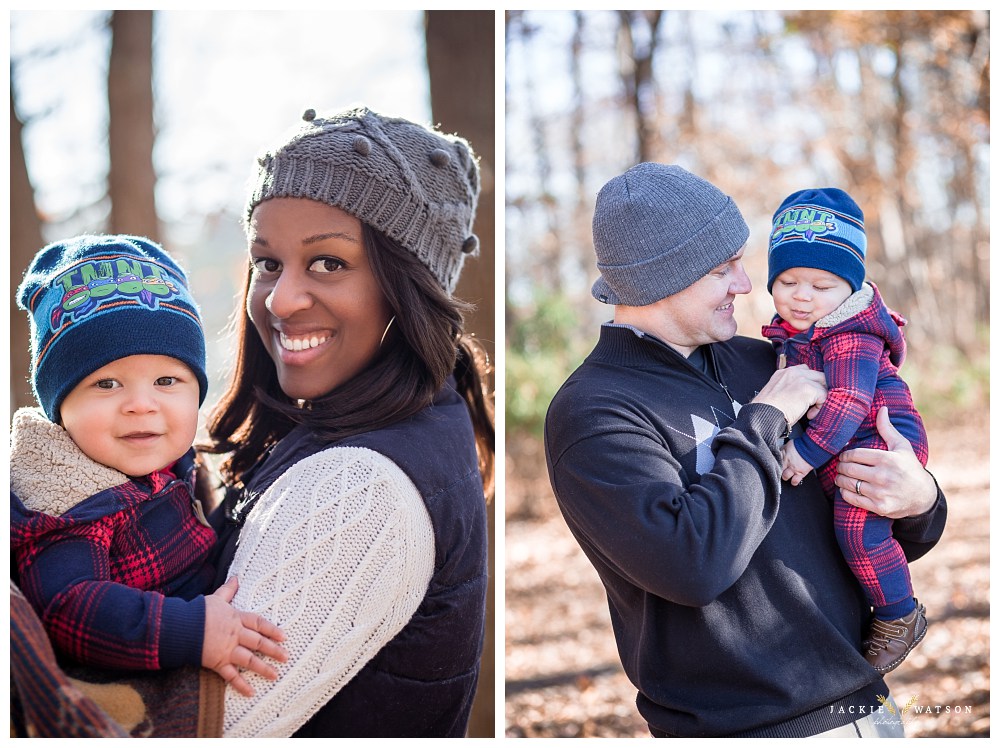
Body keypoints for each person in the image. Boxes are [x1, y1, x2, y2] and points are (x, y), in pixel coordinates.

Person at [544, 163, 947, 738]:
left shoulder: (764, 360)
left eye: (740, 261)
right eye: (721, 269)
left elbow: (890, 525)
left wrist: (919, 499)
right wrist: (766, 420)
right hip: (746, 729)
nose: (745, 283)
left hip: (869, 712)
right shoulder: (596, 411)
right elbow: (691, 565)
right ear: (663, 279)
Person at [198, 106, 494, 737]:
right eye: (268, 262)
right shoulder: (356, 426)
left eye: (328, 263)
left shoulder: (361, 488)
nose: (280, 299)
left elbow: (197, 726)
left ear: (405, 286)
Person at [10, 234, 288, 698]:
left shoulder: (172, 458)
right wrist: (189, 630)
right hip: (134, 675)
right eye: (106, 383)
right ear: (60, 407)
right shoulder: (67, 498)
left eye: (166, 380)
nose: (141, 405)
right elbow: (68, 606)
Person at [762, 188, 930, 673]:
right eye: (788, 280)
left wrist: (806, 453)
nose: (801, 295)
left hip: (880, 435)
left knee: (856, 527)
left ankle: (900, 615)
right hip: (847, 437)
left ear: (850, 289)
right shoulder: (801, 332)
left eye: (821, 285)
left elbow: (851, 400)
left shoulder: (849, 332)